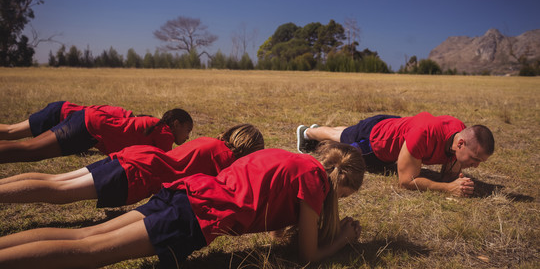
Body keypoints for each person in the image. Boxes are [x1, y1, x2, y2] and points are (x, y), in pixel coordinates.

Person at [0, 140, 366, 268]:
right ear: (343, 181)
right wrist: (340, 240)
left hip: (184, 193)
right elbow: (307, 257)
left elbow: (270, 221)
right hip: (193, 216)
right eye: (346, 195)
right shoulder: (315, 182)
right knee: (91, 252)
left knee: (85, 237)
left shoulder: (286, 159)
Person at [0, 123, 264, 207]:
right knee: (60, 192)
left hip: (134, 156)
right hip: (137, 173)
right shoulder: (227, 161)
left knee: (55, 181)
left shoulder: (210, 141)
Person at [297, 112, 495, 197]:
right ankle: (307, 132)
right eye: (475, 159)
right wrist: (447, 188)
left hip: (395, 126)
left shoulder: (458, 133)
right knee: (341, 137)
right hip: (374, 140)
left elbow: (450, 170)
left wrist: (457, 181)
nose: (476, 166)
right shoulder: (424, 136)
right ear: (460, 143)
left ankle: (318, 130)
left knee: (346, 132)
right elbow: (406, 181)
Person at [0, 107, 193, 164]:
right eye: (188, 130)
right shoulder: (165, 134)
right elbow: (168, 164)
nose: (188, 137)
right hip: (90, 129)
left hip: (88, 120)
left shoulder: (154, 124)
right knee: (31, 151)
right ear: (176, 124)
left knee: (30, 148)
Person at [0, 101, 134, 140]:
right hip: (58, 116)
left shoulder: (123, 116)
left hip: (62, 114)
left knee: (12, 131)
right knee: (11, 131)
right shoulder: (122, 117)